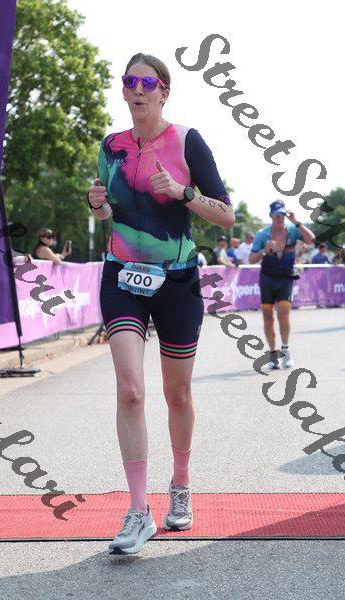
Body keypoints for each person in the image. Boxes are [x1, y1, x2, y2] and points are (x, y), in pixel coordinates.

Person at [87, 53, 235, 555]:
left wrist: (182, 191)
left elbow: (226, 215)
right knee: (130, 391)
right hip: (122, 276)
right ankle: (137, 510)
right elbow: (109, 211)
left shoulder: (188, 141)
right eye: (129, 81)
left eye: (146, 82)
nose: (136, 89)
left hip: (177, 281)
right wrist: (97, 205)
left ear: (164, 92)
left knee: (178, 395)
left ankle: (180, 483)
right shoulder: (111, 146)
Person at [248, 200, 315, 371]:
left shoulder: (293, 230)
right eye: (277, 214)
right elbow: (251, 259)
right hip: (267, 279)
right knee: (268, 318)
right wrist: (264, 250)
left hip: (286, 279)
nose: (280, 218)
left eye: (282, 214)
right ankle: (272, 354)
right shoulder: (262, 234)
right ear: (271, 215)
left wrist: (296, 222)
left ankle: (285, 351)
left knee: (283, 315)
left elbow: (311, 240)